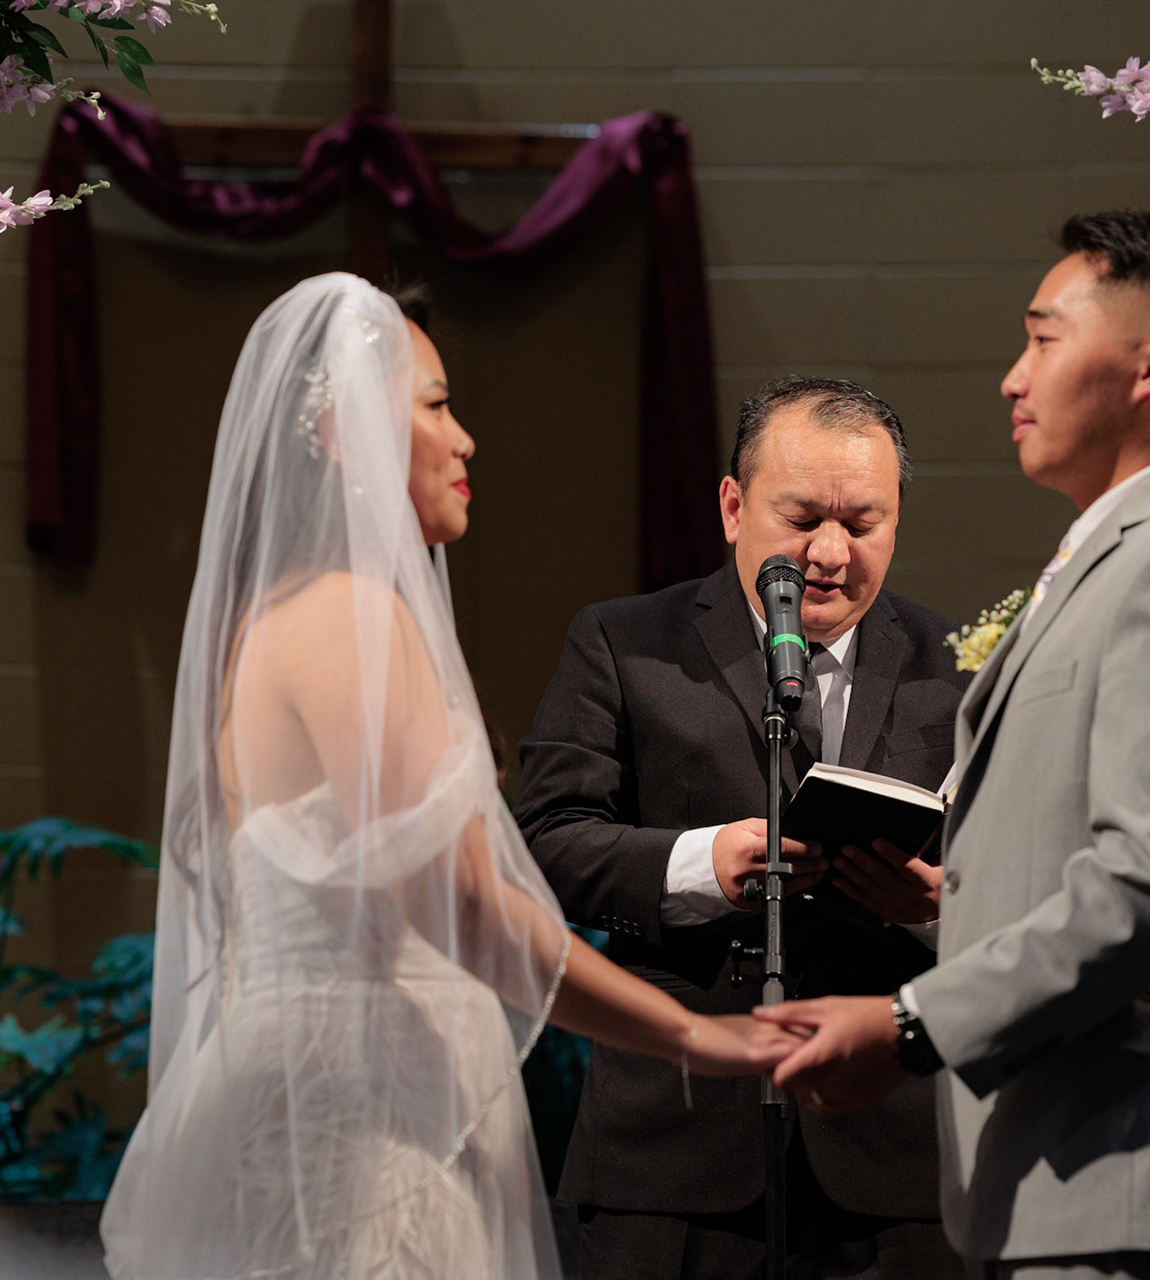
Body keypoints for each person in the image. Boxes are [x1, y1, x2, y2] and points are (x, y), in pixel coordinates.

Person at [100, 273, 798, 1280]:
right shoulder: (348, 614)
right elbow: (465, 902)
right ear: (343, 431)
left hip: (323, 1089)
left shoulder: (274, 617)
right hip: (366, 1125)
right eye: (434, 405)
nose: (465, 440)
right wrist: (696, 1036)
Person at [756, 212, 1150, 1280]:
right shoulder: (1126, 556)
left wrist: (913, 1026)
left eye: (1043, 338)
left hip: (1145, 1180)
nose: (1012, 379)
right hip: (1079, 1174)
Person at [515, 377, 972, 1279]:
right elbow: (543, 839)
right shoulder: (623, 642)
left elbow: (1033, 888)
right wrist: (699, 863)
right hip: (674, 1149)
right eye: (802, 518)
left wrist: (937, 908)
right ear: (733, 507)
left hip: (894, 1157)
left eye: (865, 523)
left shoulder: (958, 666)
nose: (831, 553)